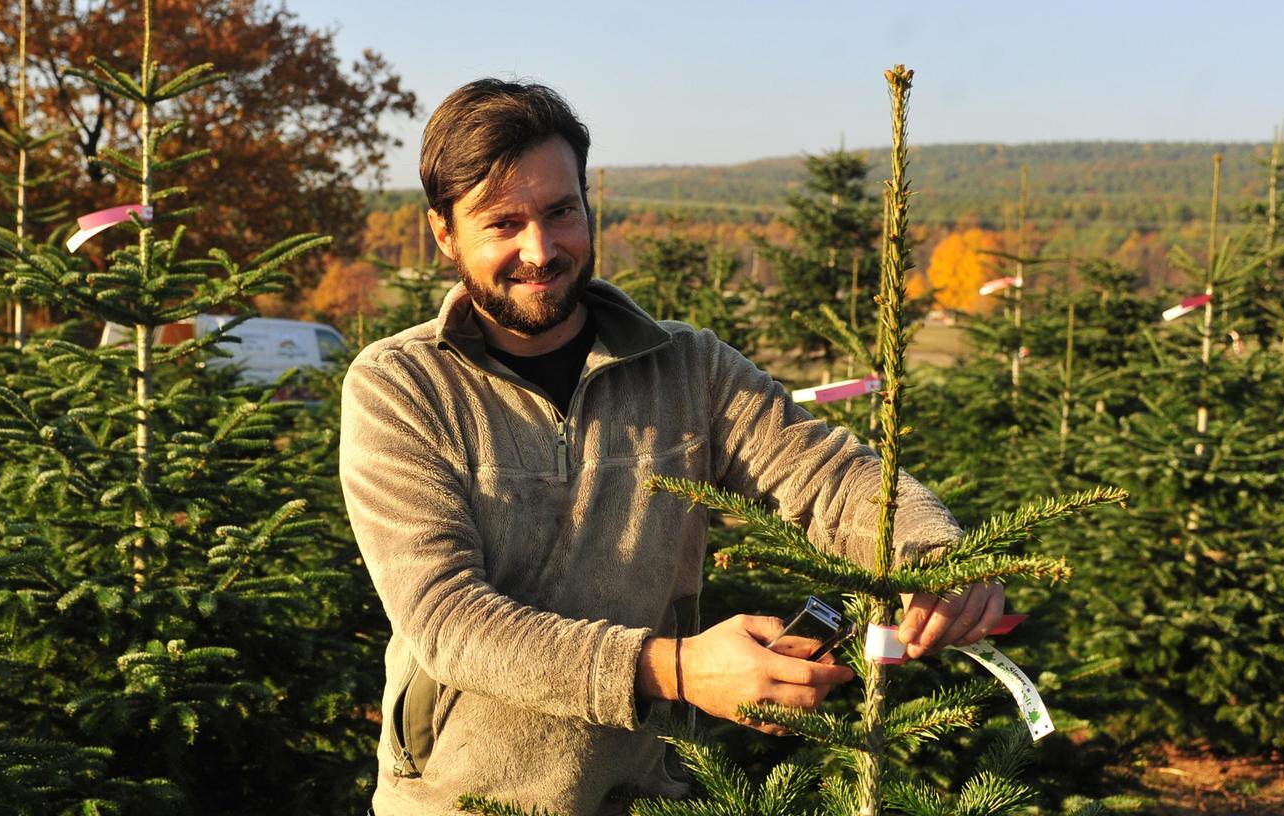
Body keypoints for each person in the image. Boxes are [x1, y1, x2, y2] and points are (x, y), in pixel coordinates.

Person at [339, 78, 1004, 816]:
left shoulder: (688, 367)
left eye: (562, 211)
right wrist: (678, 670)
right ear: (444, 233)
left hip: (647, 795)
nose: (541, 248)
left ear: (589, 202)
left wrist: (933, 556)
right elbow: (446, 619)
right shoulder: (400, 387)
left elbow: (828, 474)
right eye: (503, 223)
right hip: (452, 802)